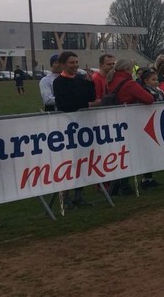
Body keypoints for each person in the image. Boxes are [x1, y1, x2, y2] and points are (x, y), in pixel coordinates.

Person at [52, 51, 99, 208]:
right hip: (67, 127)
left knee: (82, 161)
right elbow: (66, 104)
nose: (75, 65)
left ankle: (79, 195)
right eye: (72, 62)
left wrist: (90, 83)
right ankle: (64, 197)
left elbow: (90, 97)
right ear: (64, 64)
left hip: (83, 125)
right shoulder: (59, 82)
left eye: (76, 62)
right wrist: (85, 104)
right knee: (68, 162)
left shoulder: (80, 79)